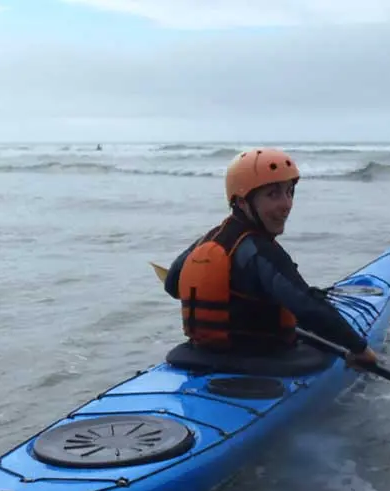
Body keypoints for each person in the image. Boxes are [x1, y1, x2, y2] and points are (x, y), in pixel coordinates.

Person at [162, 147, 378, 367]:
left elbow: (172, 284)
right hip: (259, 362)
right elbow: (306, 306)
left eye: (289, 192)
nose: (286, 204)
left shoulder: (209, 239)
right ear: (243, 202)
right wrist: (359, 347)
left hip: (202, 355)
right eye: (273, 194)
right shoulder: (259, 250)